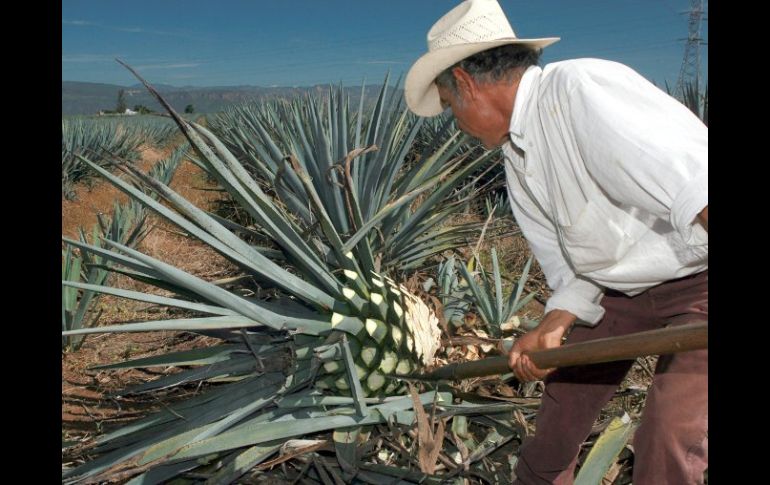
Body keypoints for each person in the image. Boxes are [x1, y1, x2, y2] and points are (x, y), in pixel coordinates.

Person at [404, 0, 708, 483]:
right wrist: (553, 324)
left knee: (669, 435)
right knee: (556, 430)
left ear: (464, 83)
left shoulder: (581, 91)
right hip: (618, 296)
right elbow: (570, 265)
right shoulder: (517, 157)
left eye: (447, 106)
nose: (455, 124)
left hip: (699, 286)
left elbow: (697, 186)